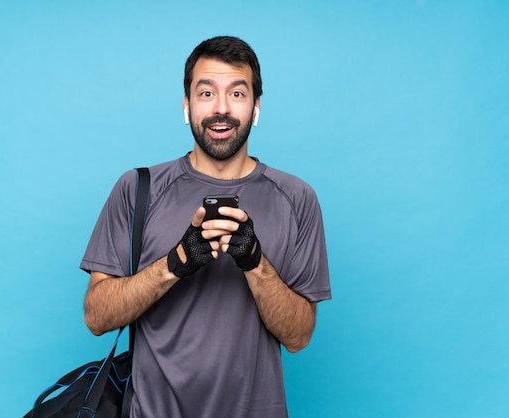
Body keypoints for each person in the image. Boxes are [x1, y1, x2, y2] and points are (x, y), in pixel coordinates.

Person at [80, 35, 331, 418]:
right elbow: (96, 317)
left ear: (256, 107)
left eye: (237, 93)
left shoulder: (297, 198)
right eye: (206, 93)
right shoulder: (137, 189)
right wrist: (175, 264)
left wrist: (253, 262)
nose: (221, 109)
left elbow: (298, 337)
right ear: (186, 105)